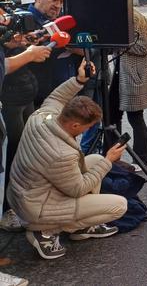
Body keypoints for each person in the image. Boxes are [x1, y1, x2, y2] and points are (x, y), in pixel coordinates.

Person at [7, 60, 127, 260]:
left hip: (26, 195)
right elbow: (78, 189)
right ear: (74, 125)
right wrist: (109, 161)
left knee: (94, 160)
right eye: (87, 127)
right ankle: (45, 232)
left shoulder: (42, 116)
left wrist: (80, 80)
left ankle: (82, 226)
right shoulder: (61, 154)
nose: (88, 130)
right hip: (37, 209)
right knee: (119, 205)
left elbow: (56, 96)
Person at [0, 37, 52, 231]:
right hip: (9, 102)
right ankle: (6, 209)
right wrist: (29, 54)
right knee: (10, 157)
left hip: (25, 96)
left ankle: (21, 203)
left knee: (26, 155)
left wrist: (18, 43)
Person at [109, 10, 147, 168]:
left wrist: (118, 41)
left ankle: (143, 158)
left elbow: (142, 47)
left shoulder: (134, 17)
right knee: (112, 117)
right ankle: (112, 157)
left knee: (135, 118)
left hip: (132, 78)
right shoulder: (125, 16)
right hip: (121, 76)